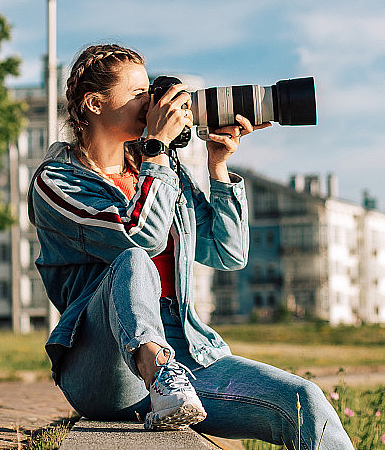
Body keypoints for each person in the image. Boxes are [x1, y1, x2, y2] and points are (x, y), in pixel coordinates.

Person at [28, 44, 353, 449]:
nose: (152, 101)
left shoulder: (159, 169)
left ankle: (169, 378)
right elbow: (140, 239)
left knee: (304, 402)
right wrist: (157, 151)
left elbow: (227, 252)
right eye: (138, 93)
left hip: (185, 353)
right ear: (95, 103)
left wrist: (218, 167)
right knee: (132, 261)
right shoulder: (57, 182)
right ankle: (158, 371)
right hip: (103, 366)